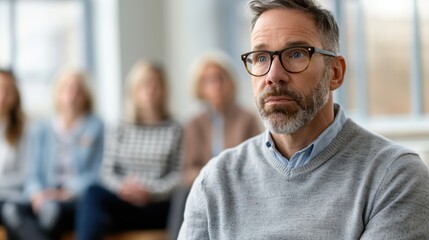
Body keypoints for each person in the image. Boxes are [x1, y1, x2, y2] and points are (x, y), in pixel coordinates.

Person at [178, 0, 429, 239]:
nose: (274, 76)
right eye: (261, 58)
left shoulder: (395, 176)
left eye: (296, 54)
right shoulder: (215, 181)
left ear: (335, 73)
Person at [75, 61, 182, 240]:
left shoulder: (176, 129)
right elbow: (107, 172)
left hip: (157, 206)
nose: (151, 89)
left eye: (157, 84)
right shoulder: (119, 127)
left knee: (183, 198)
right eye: (145, 84)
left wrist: (150, 191)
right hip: (124, 201)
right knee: (92, 192)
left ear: (164, 90)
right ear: (134, 90)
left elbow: (178, 176)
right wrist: (123, 188)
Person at [167, 51, 261, 240]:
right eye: (208, 80)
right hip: (204, 184)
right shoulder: (193, 124)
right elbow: (186, 170)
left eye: (220, 78)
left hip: (239, 183)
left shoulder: (247, 118)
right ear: (199, 87)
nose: (216, 86)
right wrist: (212, 175)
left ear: (230, 82)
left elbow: (258, 160)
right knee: (183, 193)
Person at [3, 69, 104, 240]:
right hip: (42, 197)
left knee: (51, 212)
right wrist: (36, 194)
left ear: (86, 96)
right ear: (57, 93)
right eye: (67, 89)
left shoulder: (96, 127)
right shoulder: (42, 129)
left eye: (78, 90)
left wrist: (66, 192)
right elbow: (31, 173)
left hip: (75, 198)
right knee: (12, 211)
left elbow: (99, 173)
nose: (72, 96)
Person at [0, 69, 27, 225]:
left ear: (15, 96)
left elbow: (26, 175)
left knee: (14, 213)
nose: (2, 97)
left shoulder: (26, 130)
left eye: (8, 91)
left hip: (13, 198)